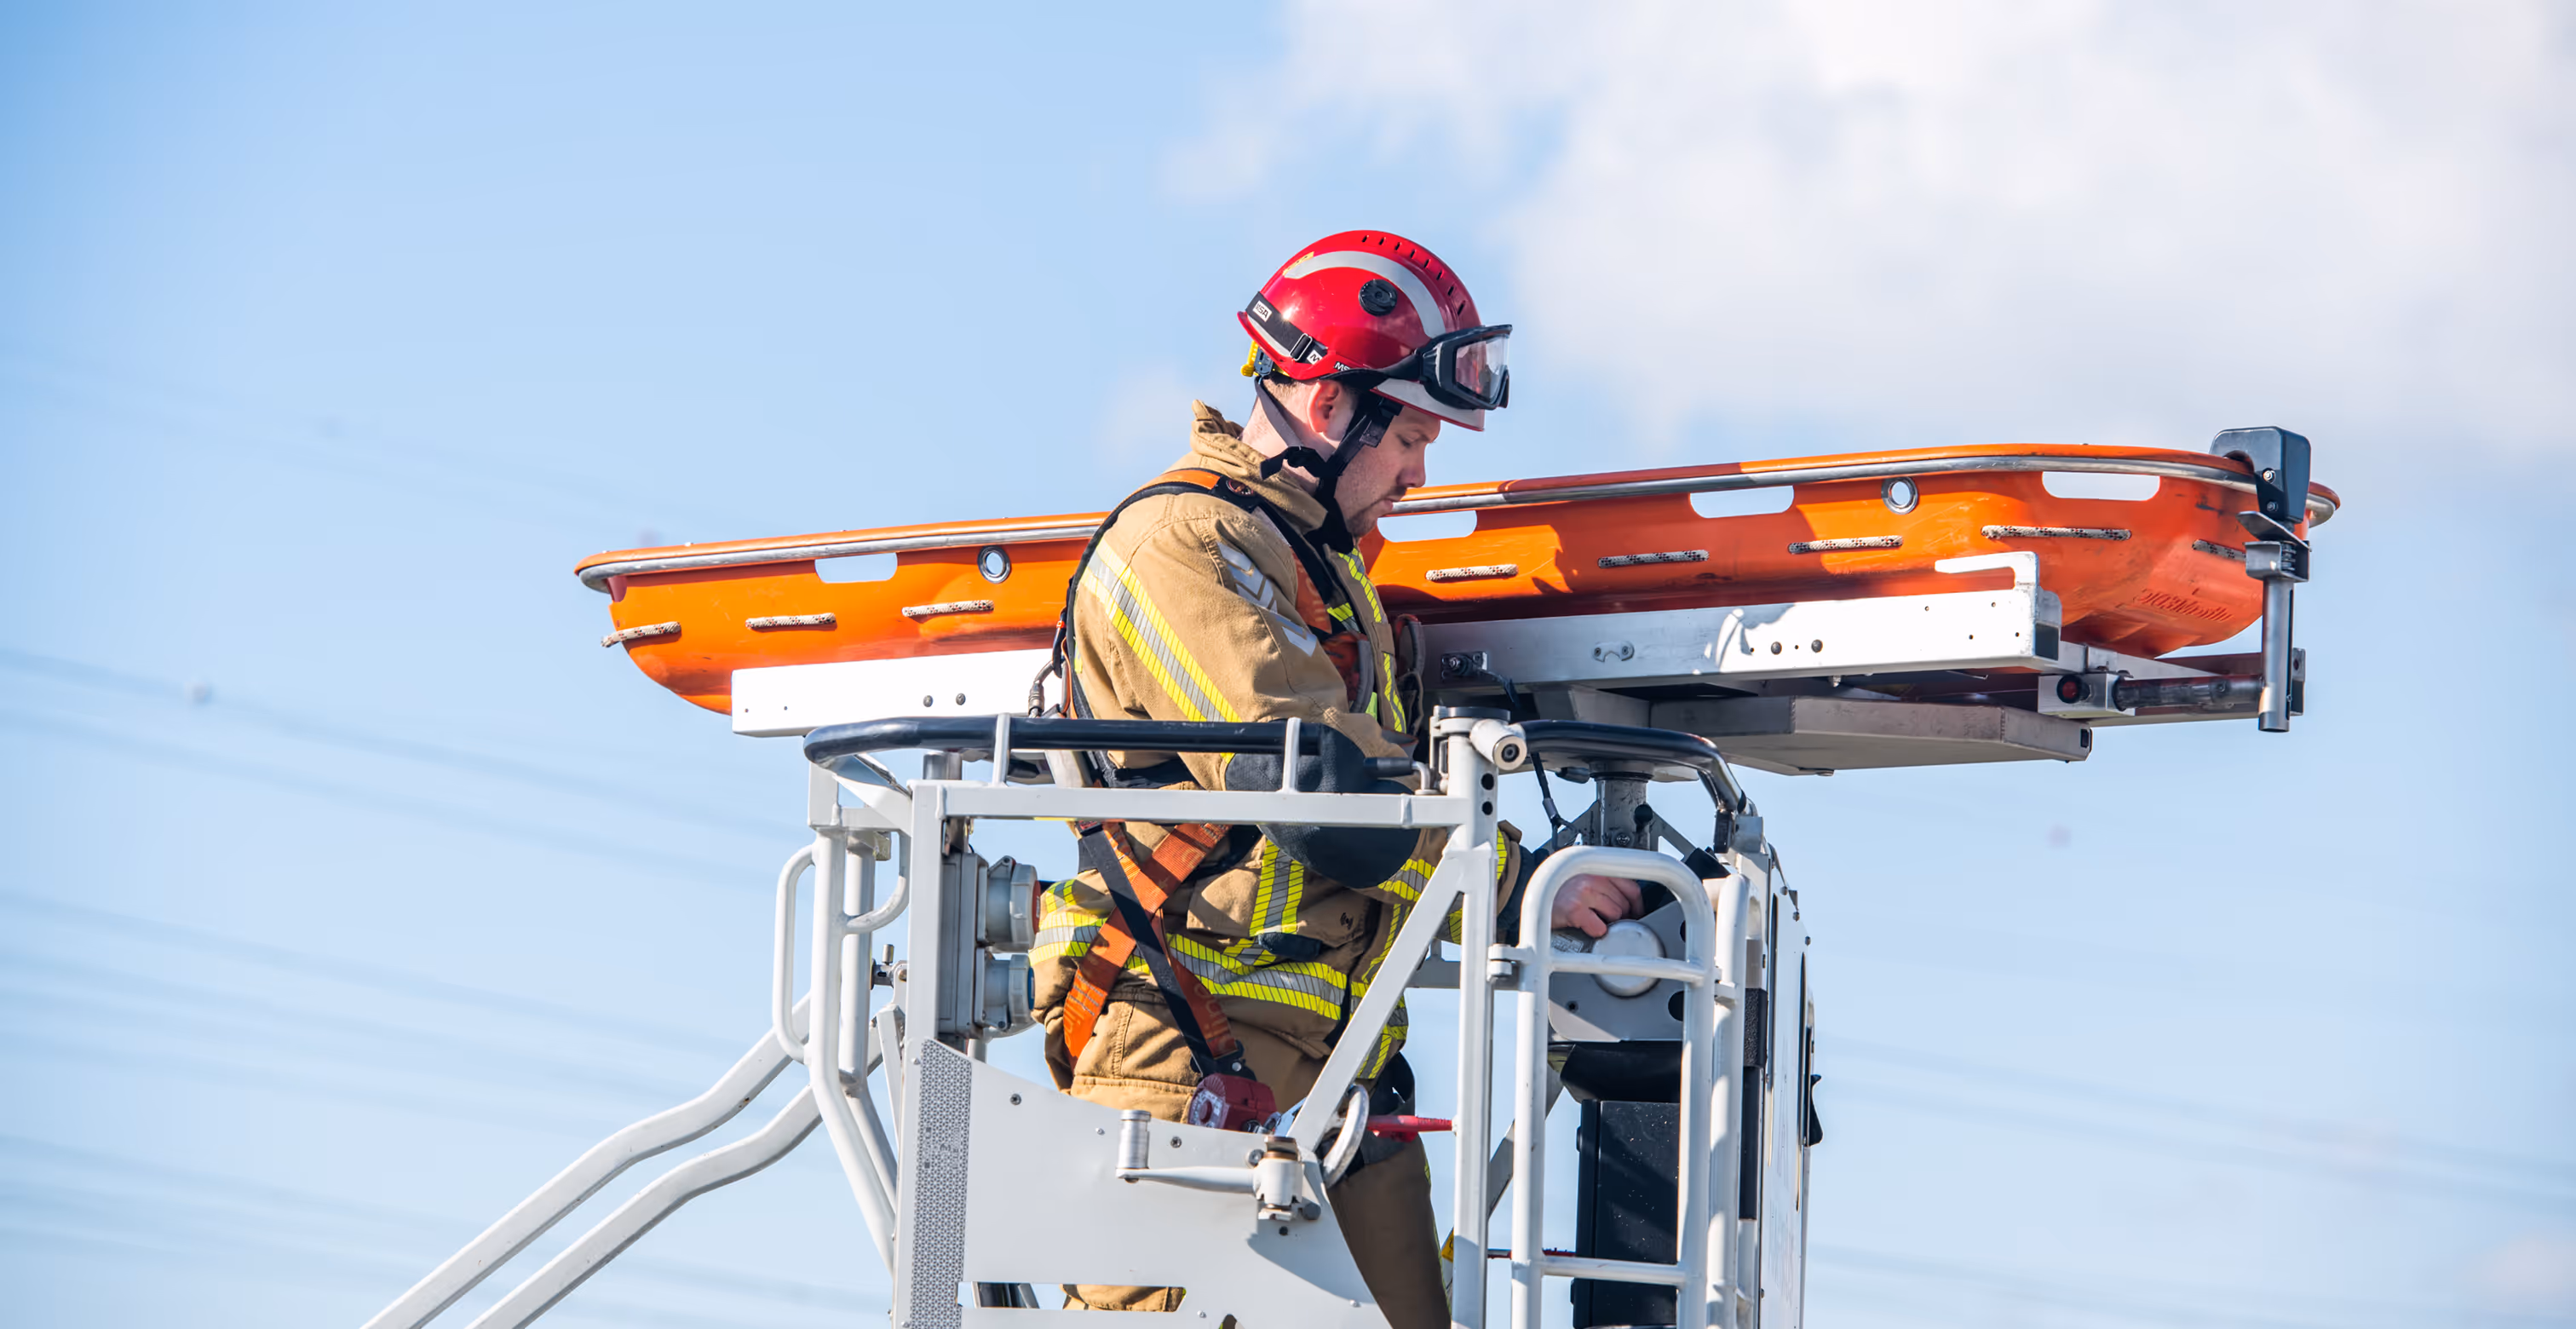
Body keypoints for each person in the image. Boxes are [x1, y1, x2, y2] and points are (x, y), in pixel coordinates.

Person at [1028, 231, 1641, 1327]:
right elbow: (1318, 788)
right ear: (1327, 408)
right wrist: (1516, 882)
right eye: (1409, 434)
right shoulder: (1182, 545)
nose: (1419, 471)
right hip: (1189, 1055)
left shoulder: (1317, 563)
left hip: (1341, 1080)